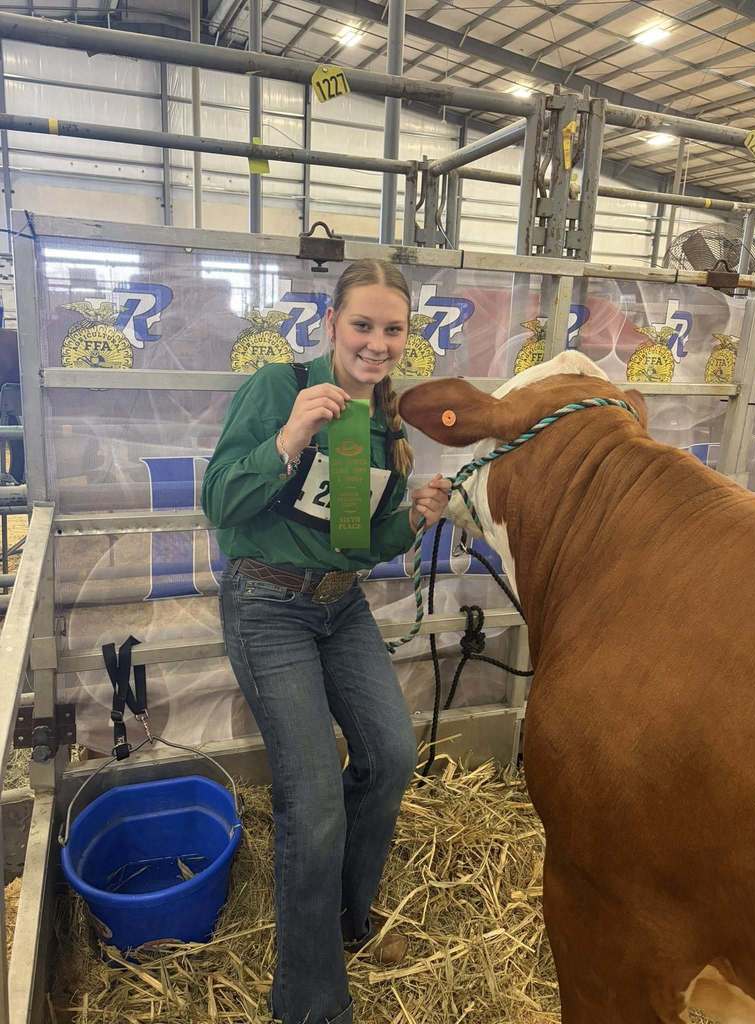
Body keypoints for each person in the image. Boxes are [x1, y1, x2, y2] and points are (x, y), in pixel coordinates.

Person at [202, 259, 451, 1024]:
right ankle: (309, 1002)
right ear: (332, 325)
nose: (376, 343)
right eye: (362, 326)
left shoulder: (385, 423)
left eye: (392, 329)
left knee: (393, 755)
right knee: (313, 801)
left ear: (407, 337)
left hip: (340, 607)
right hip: (269, 605)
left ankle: (341, 912)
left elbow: (356, 545)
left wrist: (410, 518)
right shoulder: (280, 389)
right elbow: (218, 500)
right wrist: (289, 435)